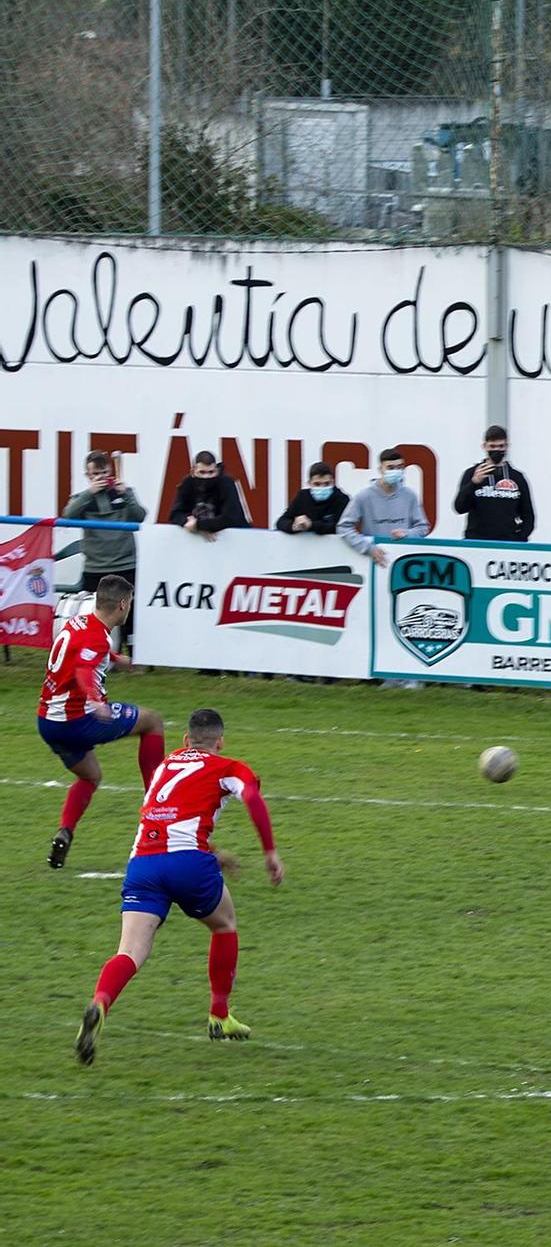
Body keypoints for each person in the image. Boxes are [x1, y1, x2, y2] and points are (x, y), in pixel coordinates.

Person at [72, 707, 284, 1066]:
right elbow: (252, 798)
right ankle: (219, 1015)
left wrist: (214, 854)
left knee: (130, 951)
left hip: (143, 863)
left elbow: (171, 819)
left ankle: (101, 1002)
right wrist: (270, 853)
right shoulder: (229, 766)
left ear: (186, 740)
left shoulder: (166, 766)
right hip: (187, 863)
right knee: (224, 923)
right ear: (220, 742)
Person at [37, 577, 166, 870]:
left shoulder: (79, 623)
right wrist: (96, 701)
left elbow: (84, 653)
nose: (129, 609)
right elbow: (84, 668)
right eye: (130, 604)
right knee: (152, 721)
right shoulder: (97, 637)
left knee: (90, 776)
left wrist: (116, 659)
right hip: (78, 719)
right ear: (122, 605)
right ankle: (157, 807)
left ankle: (65, 832)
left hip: (48, 722)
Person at [63, 450, 146, 652]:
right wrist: (89, 492)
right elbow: (68, 516)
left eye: (103, 473)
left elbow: (140, 516)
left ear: (110, 470)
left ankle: (133, 654)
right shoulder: (82, 498)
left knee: (129, 611)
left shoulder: (124, 493)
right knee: (95, 612)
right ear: (88, 476)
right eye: (94, 475)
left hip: (125, 563)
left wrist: (125, 494)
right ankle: (98, 650)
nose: (100, 478)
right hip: (96, 565)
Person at [339, 447, 430, 567]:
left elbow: (423, 527)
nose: (396, 471)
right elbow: (344, 527)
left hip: (402, 561)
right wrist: (368, 548)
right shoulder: (364, 496)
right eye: (390, 468)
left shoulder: (410, 495)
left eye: (399, 467)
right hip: (372, 561)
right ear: (380, 469)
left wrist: (407, 534)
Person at [453, 425, 535, 542]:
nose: (496, 450)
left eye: (501, 446)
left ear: (507, 447)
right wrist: (473, 483)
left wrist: (519, 540)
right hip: (476, 542)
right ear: (484, 446)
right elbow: (459, 508)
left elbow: (528, 516)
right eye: (492, 446)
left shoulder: (517, 477)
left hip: (507, 544)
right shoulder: (471, 473)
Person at [167, 451, 249, 540]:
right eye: (202, 472)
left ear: (217, 471)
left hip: (236, 540)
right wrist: (187, 522)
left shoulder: (226, 483)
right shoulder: (187, 483)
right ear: (193, 472)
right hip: (199, 541)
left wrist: (199, 525)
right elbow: (175, 514)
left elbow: (232, 518)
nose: (206, 477)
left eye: (211, 472)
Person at [275, 461, 349, 536]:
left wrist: (311, 525)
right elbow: (281, 522)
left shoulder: (342, 499)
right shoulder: (302, 497)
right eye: (317, 484)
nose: (322, 487)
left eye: (327, 484)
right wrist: (294, 526)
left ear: (333, 482)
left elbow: (341, 527)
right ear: (309, 483)